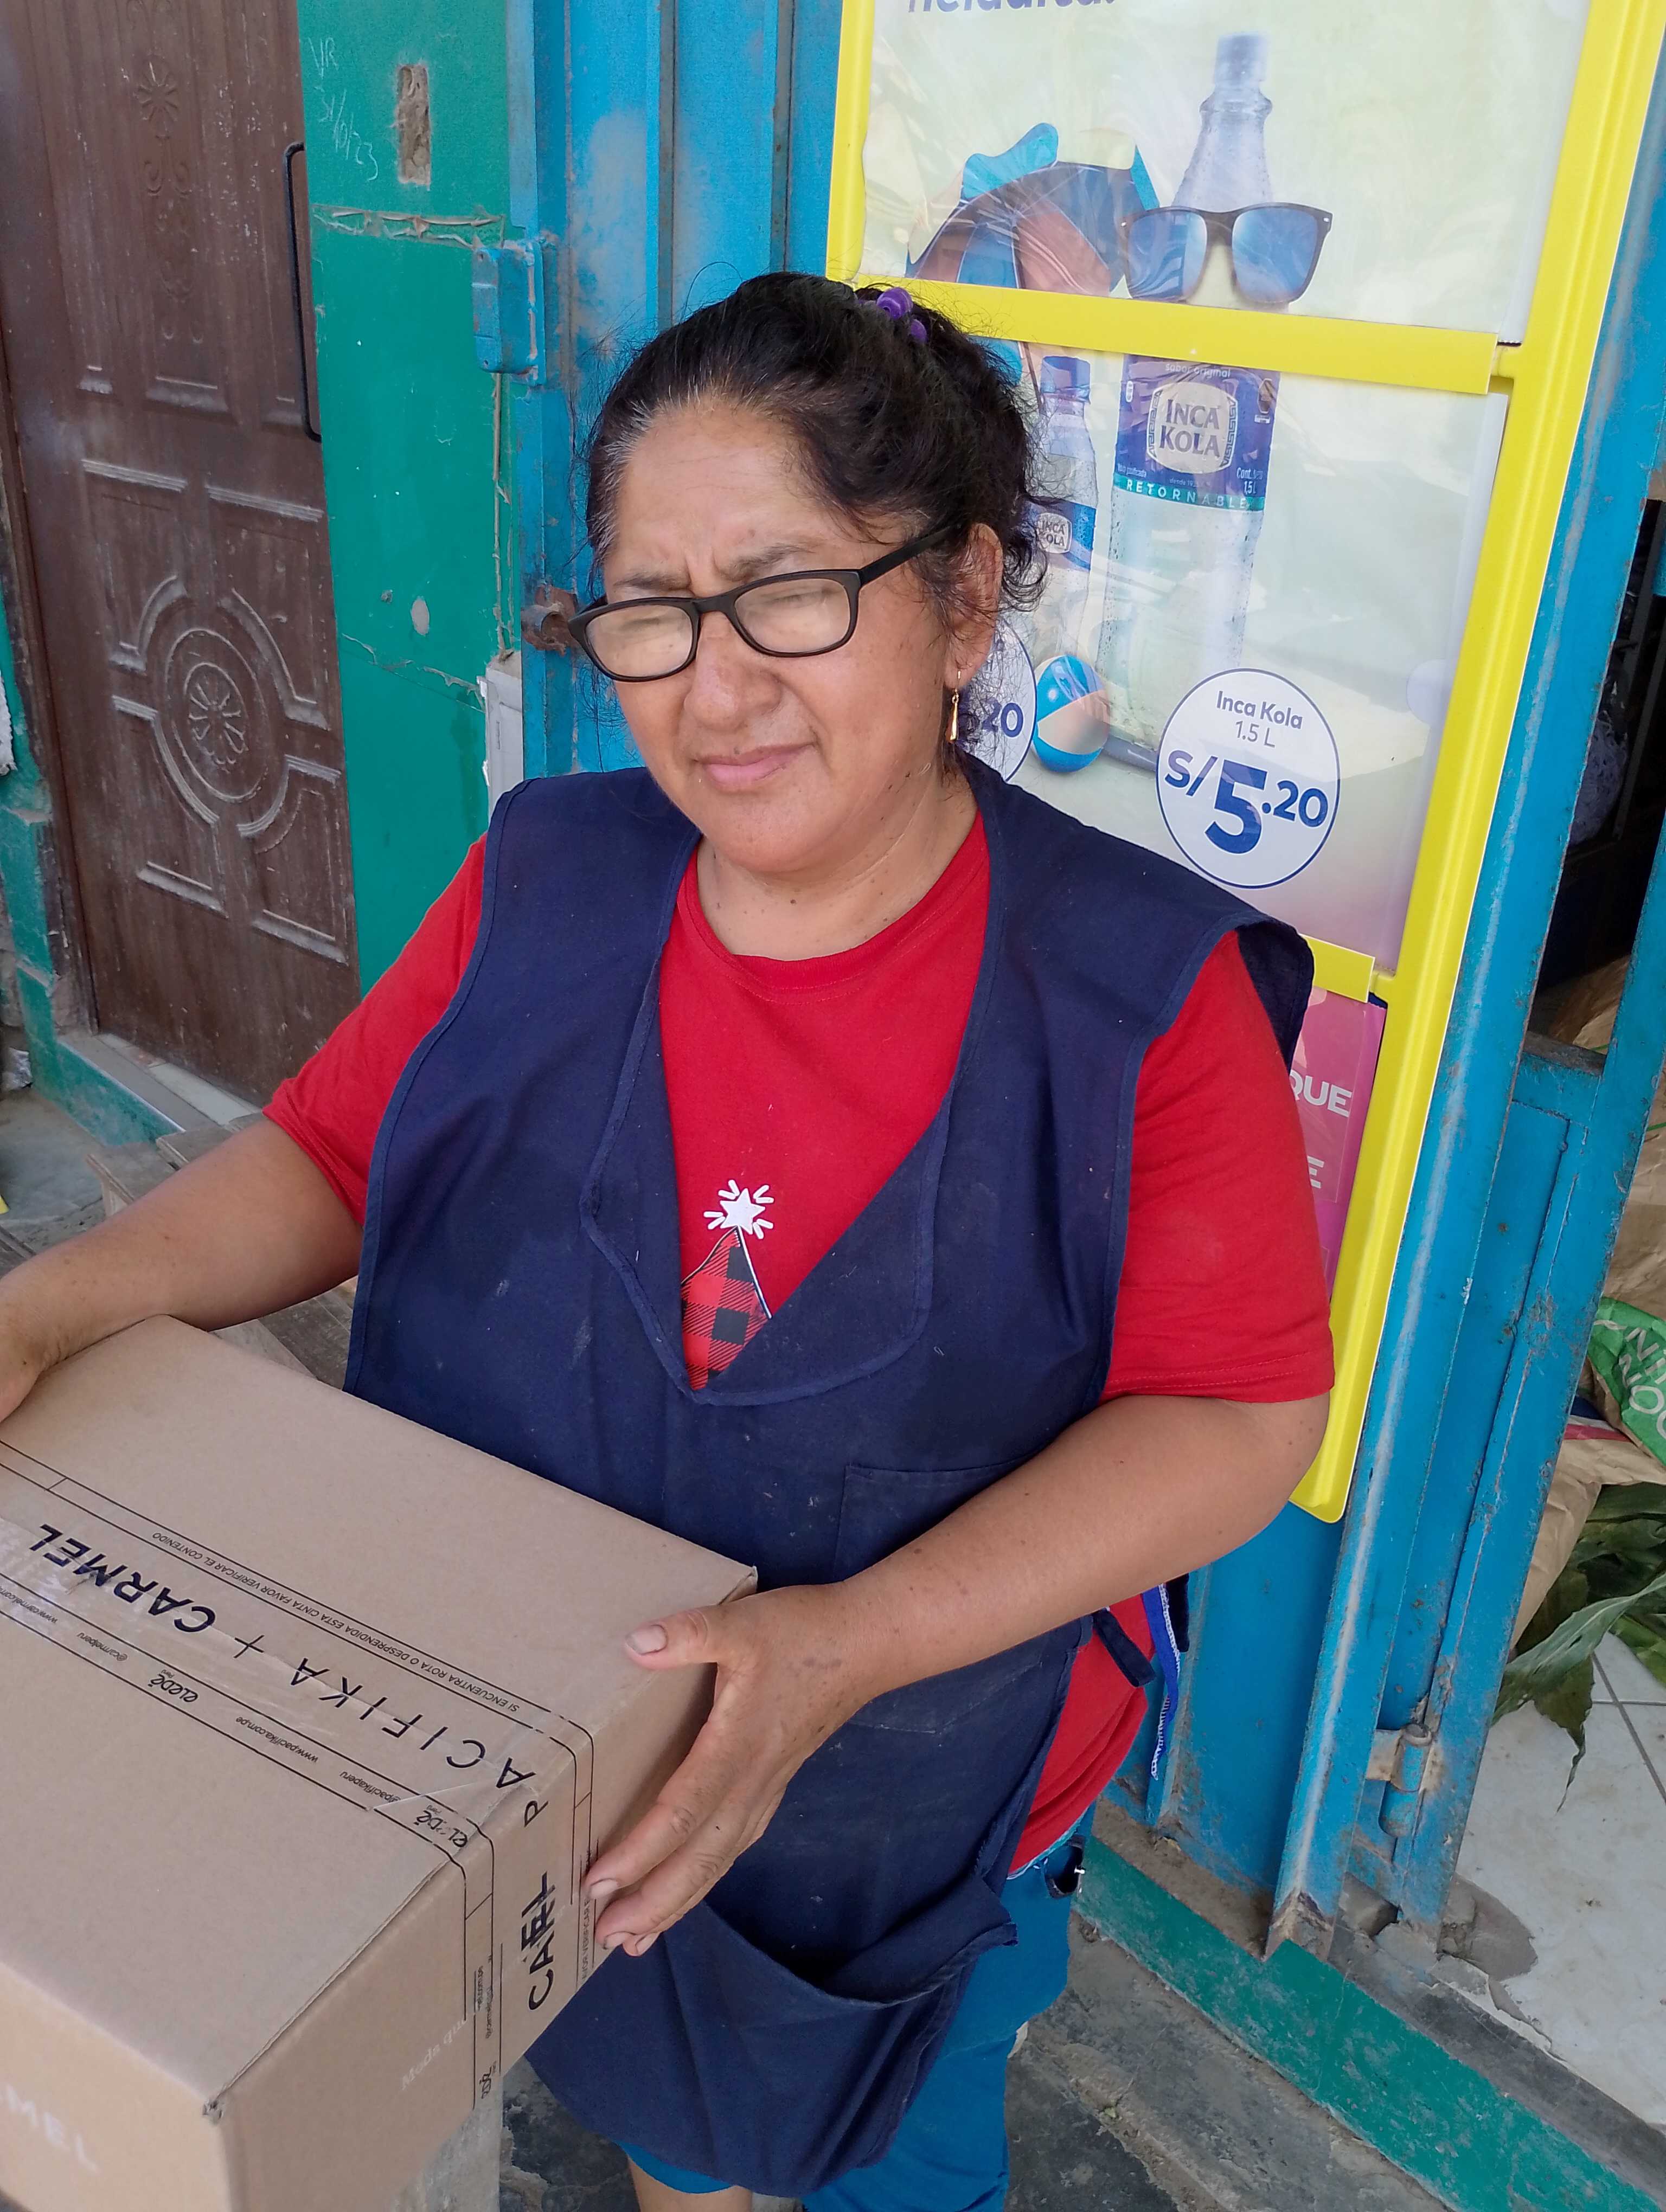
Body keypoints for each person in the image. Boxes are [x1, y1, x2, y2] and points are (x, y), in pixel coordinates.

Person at [0, 273, 1332, 2212]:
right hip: (548, 1726)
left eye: (788, 594)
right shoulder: (549, 873)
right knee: (656, 2106)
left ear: (964, 599)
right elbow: (335, 1152)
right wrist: (55, 1304)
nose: (715, 691)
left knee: (874, 2156)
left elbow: (1234, 1415)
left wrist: (848, 1645)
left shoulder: (1134, 993)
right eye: (651, 611)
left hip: (902, 1790)